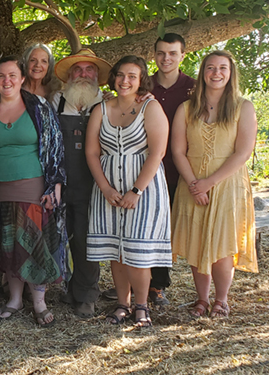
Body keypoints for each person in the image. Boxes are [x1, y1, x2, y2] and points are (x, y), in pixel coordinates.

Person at [0, 56, 67, 327]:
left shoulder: (39, 107)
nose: (7, 81)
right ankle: (14, 299)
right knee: (8, 243)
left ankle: (39, 302)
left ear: (22, 78)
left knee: (34, 242)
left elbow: (56, 148)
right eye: (2, 76)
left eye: (12, 75)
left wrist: (55, 186)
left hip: (32, 184)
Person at [85, 55, 172, 328]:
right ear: (113, 78)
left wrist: (136, 190)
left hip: (143, 189)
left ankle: (142, 306)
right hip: (107, 189)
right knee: (115, 250)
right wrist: (105, 188)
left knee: (137, 251)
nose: (125, 81)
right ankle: (123, 303)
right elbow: (92, 152)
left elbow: (157, 152)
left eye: (132, 76)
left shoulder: (150, 107)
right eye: (121, 75)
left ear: (141, 79)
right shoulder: (101, 108)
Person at [170, 50, 258, 318]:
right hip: (192, 185)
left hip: (227, 185)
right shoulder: (186, 108)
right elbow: (177, 151)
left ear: (231, 74)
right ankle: (201, 299)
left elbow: (243, 153)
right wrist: (195, 184)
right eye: (210, 68)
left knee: (221, 246)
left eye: (222, 68)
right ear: (202, 72)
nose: (216, 73)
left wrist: (209, 182)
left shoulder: (244, 107)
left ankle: (221, 299)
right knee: (197, 244)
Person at [49, 48, 111, 318]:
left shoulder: (108, 103)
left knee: (88, 239)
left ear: (97, 75)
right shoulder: (56, 101)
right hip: (63, 182)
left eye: (89, 70)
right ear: (69, 75)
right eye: (78, 70)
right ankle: (71, 288)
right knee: (65, 236)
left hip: (94, 183)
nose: (83, 75)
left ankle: (87, 295)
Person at [147, 33, 197, 307]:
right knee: (146, 227)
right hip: (144, 167)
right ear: (154, 55)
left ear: (182, 55)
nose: (166, 58)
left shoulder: (194, 88)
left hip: (179, 167)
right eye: (161, 53)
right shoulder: (143, 84)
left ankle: (158, 284)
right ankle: (140, 281)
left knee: (166, 229)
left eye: (172, 53)